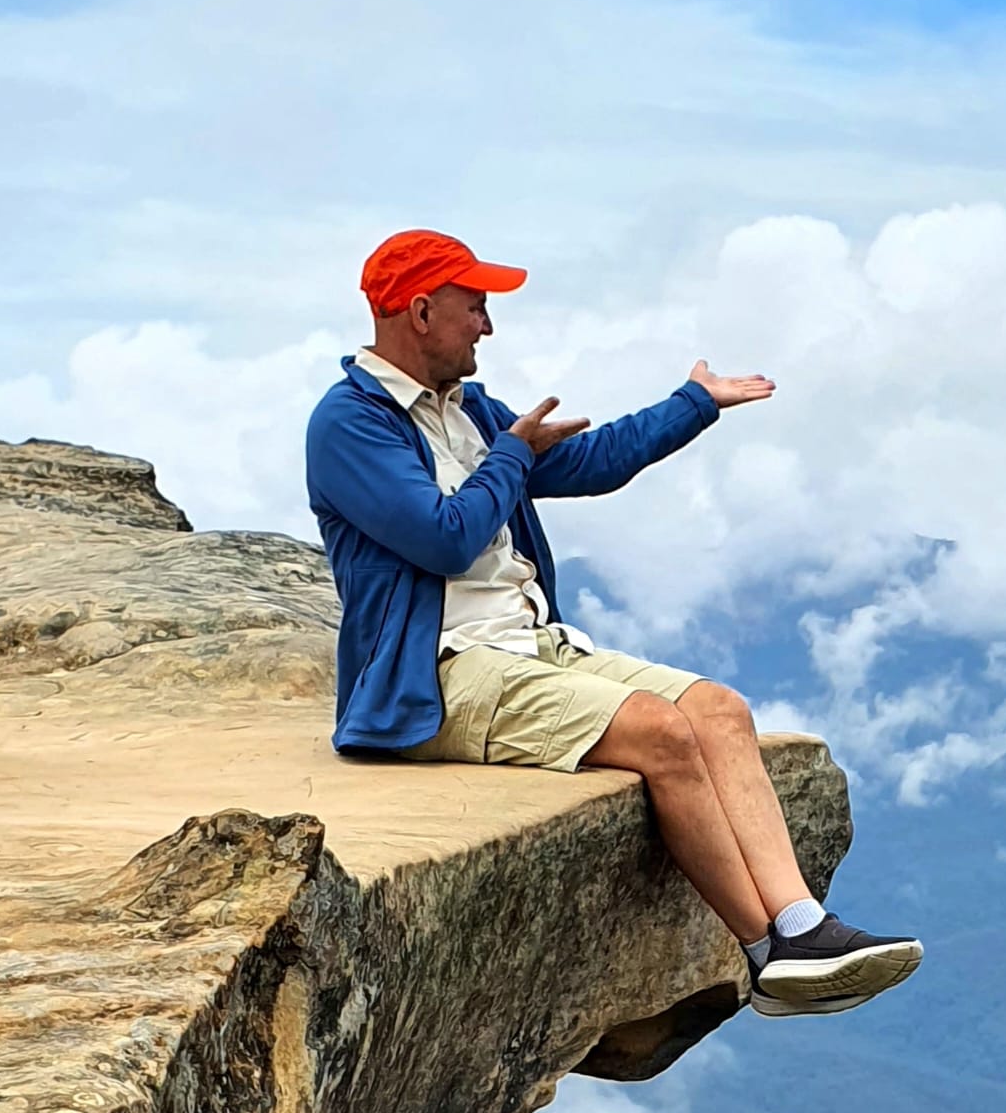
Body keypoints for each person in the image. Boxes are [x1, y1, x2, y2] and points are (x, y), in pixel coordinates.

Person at [305, 229, 922, 1017]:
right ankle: (767, 958)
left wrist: (693, 403)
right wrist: (512, 456)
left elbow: (588, 464)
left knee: (718, 710)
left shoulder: (467, 412)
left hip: (528, 646)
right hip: (435, 673)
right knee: (661, 733)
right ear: (421, 313)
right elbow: (445, 537)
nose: (487, 325)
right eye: (475, 307)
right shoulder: (351, 423)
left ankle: (804, 927)